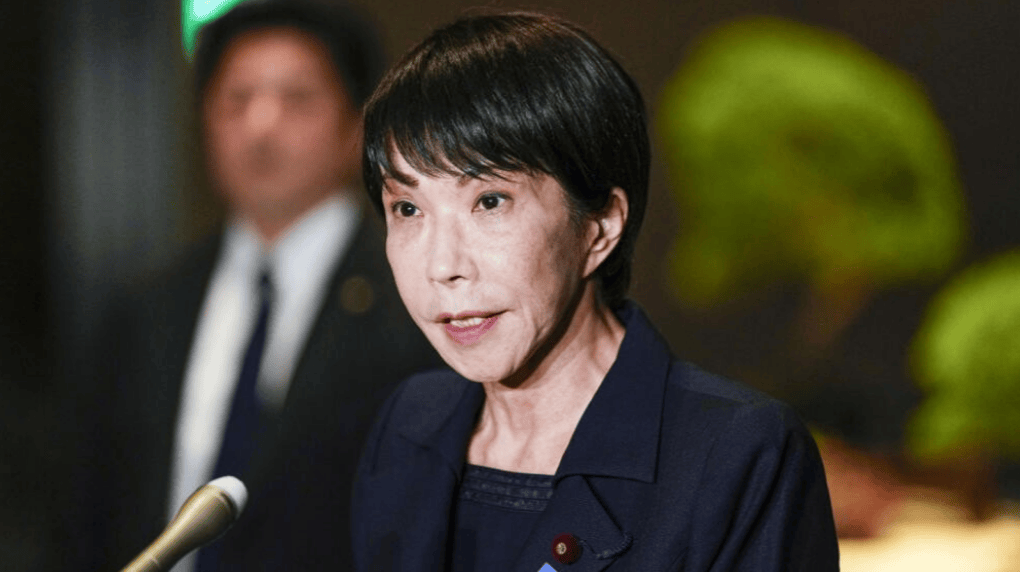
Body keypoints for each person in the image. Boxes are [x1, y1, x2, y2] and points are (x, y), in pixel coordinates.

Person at [350, 12, 839, 571]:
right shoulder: (409, 424)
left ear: (601, 226)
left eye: (490, 201)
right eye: (407, 209)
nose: (443, 266)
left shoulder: (735, 454)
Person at [63, 2, 439, 571]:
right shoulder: (145, 308)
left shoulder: (419, 300)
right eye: (236, 101)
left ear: (356, 126)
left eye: (297, 99)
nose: (261, 126)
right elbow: (86, 513)